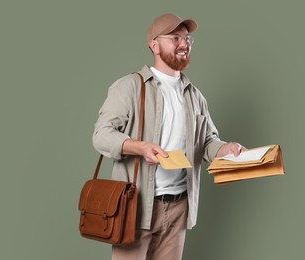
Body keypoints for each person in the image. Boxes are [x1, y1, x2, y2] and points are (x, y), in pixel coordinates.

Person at [92, 13, 245, 260]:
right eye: (175, 38)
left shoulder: (195, 95)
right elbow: (101, 136)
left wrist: (225, 148)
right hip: (136, 206)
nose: (184, 44)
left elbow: (207, 142)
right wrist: (139, 147)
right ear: (154, 44)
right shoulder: (130, 86)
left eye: (187, 39)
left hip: (179, 207)